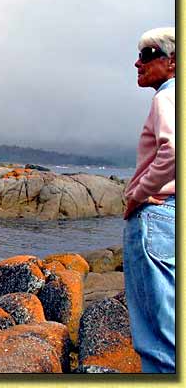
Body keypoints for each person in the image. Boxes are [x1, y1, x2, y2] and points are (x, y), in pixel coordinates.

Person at [123, 27, 175, 373]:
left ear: (172, 63)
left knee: (158, 338)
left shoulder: (167, 97)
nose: (137, 63)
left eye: (147, 55)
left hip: (157, 216)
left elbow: (174, 149)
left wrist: (138, 195)